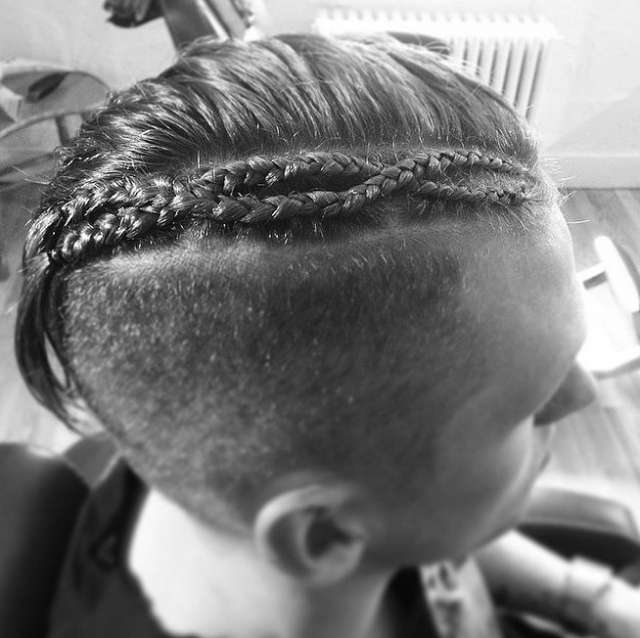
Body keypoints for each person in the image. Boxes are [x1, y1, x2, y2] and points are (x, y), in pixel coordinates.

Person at [13, 33, 639, 637]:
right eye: (526, 408)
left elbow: (447, 538)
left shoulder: (263, 459)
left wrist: (589, 598)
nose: (582, 393)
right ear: (325, 535)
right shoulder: (362, 471)